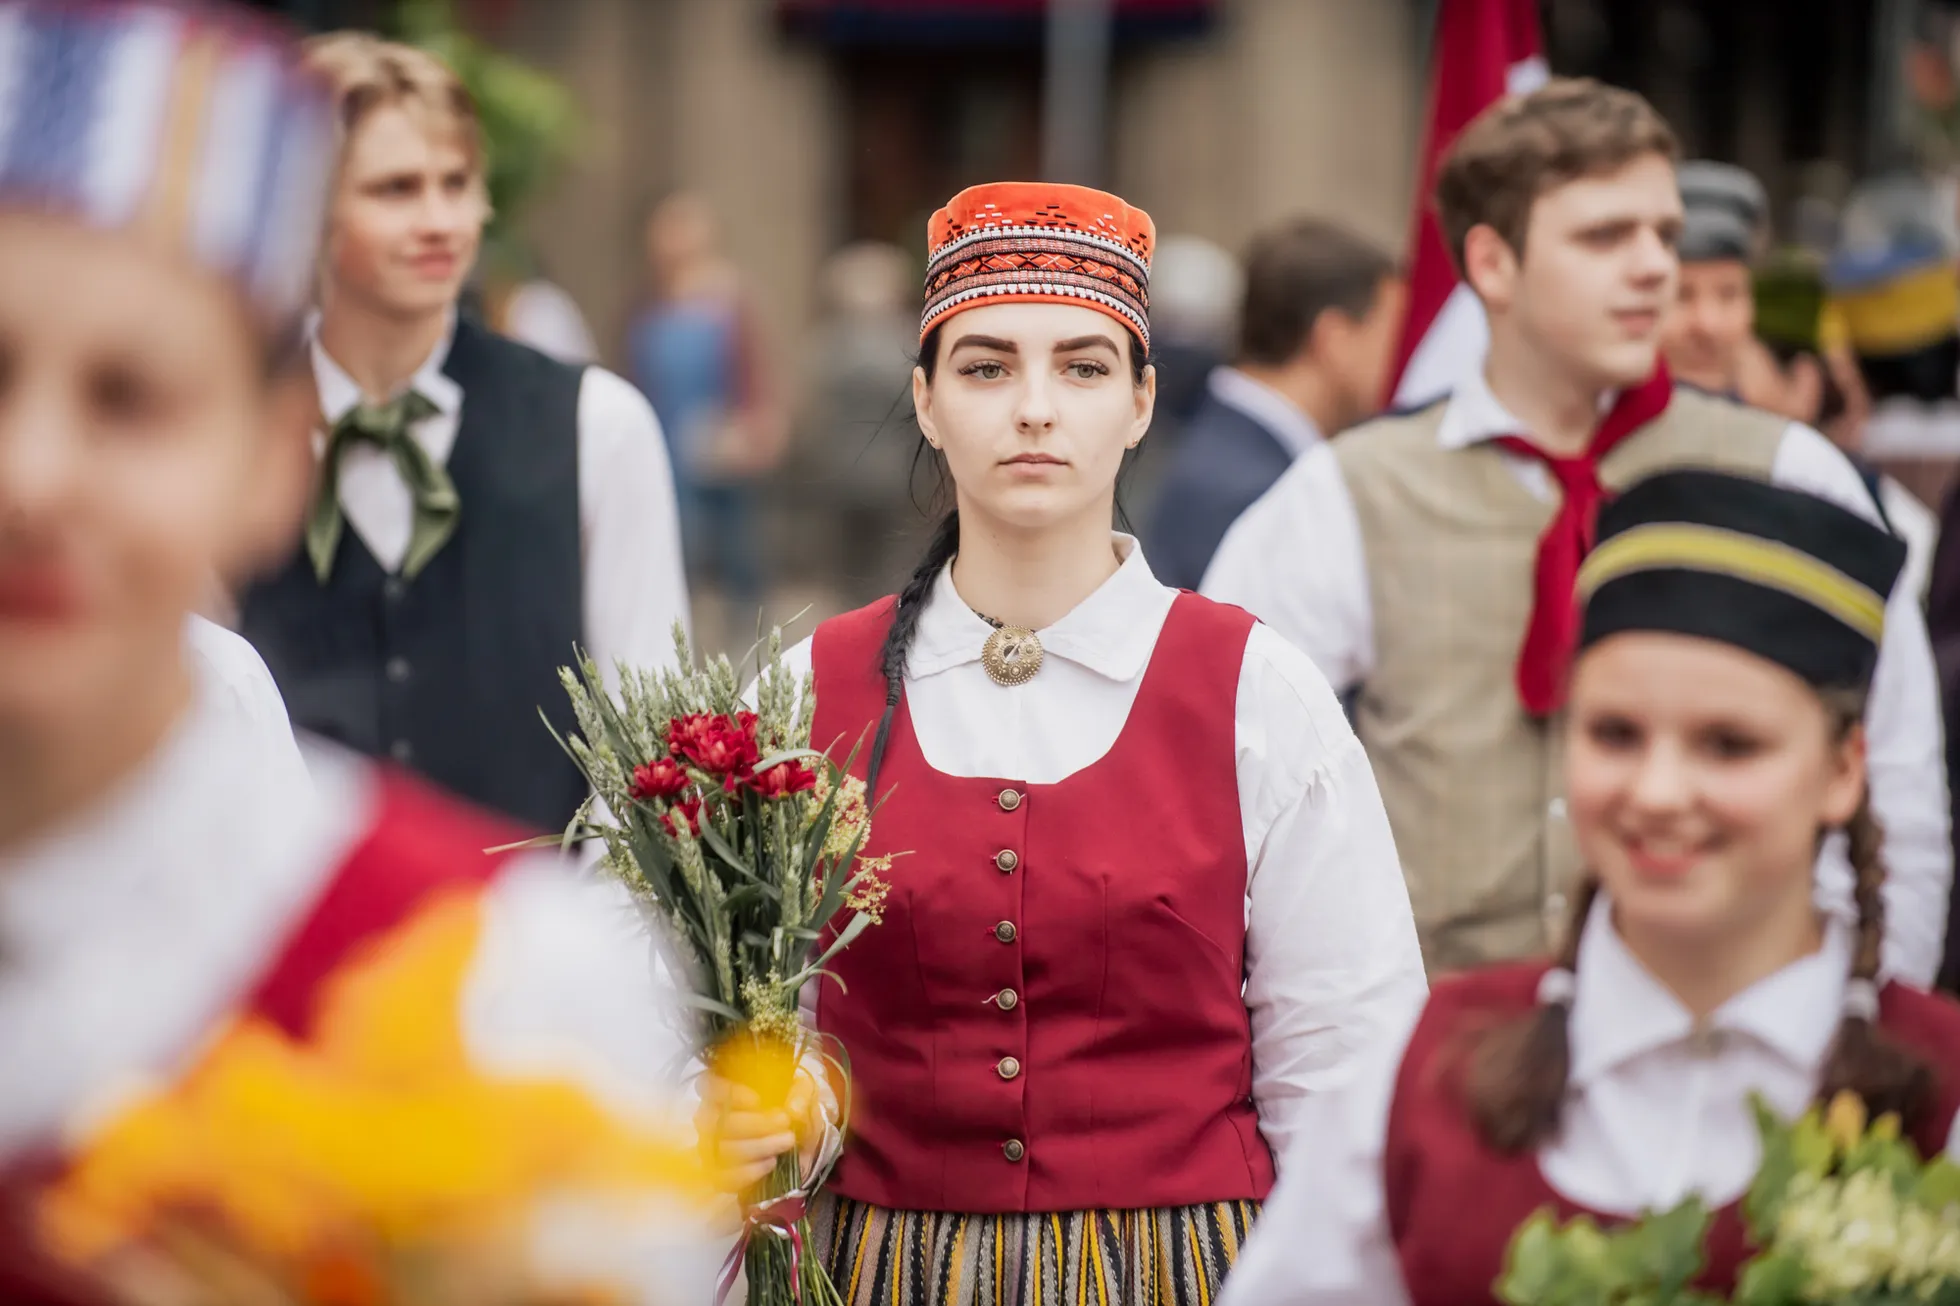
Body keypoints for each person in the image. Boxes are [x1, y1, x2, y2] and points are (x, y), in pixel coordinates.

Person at [0, 3, 714, 1299]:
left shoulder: (520, 998)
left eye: (130, 397)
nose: (32, 477)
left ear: (272, 454)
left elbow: (649, 732)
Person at [703, 182, 1427, 1305]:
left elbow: (1344, 1070)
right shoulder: (803, 696)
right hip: (889, 1272)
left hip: (1190, 1276)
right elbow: (750, 1019)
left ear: (1141, 402)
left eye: (1083, 368)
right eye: (986, 367)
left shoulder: (1257, 695)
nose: (1034, 407)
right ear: (926, 401)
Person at [1203, 78, 1952, 983]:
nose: (1654, 269)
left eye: (1665, 235)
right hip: (1442, 1069)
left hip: (1726, 1064)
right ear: (1492, 265)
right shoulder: (1347, 492)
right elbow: (1225, 780)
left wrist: (1872, 1028)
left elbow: (1899, 784)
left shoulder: (1791, 471)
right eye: (1606, 236)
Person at [1220, 469, 1960, 1306]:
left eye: (1729, 745)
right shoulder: (1421, 1071)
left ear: (1841, 770)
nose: (1657, 791)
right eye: (1616, 735)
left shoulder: (1945, 1090)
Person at [237, 33, 689, 834]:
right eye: (396, 188)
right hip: (293, 939)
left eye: (458, 183)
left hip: (533, 939)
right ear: (309, 201)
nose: (441, 219)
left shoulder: (598, 426)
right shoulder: (227, 437)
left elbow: (649, 757)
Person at [1143, 219, 1403, 590]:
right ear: (1336, 339)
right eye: (1392, 333)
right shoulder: (1254, 489)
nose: (1402, 357)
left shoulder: (1232, 453)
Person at [628, 192, 786, 622]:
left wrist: (758, 423)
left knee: (737, 543)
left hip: (720, 436)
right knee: (677, 541)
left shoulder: (729, 299)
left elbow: (753, 369)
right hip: (665, 434)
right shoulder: (649, 300)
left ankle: (748, 631)